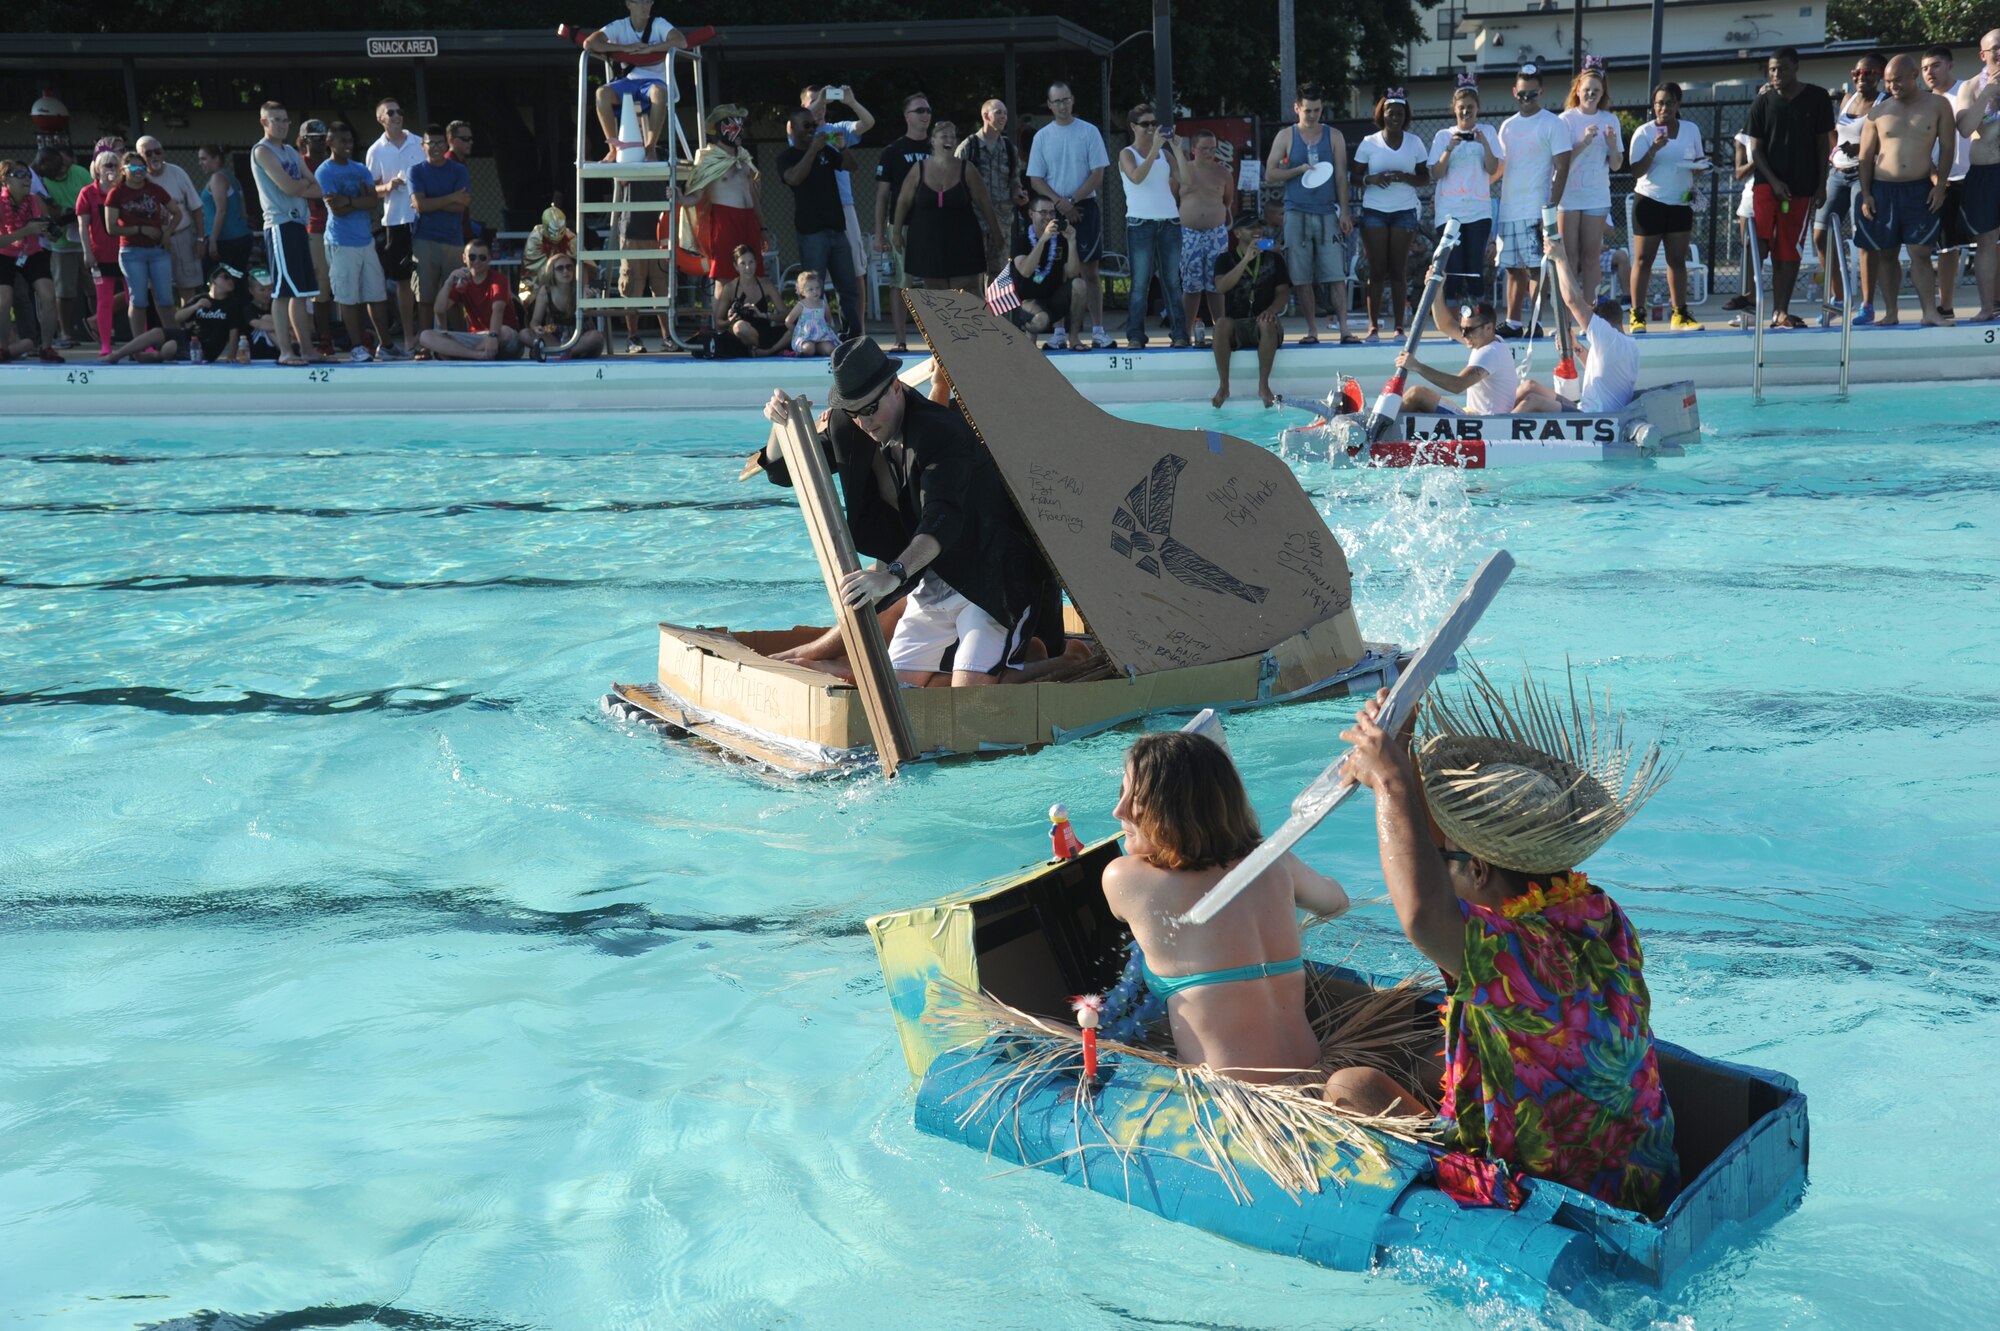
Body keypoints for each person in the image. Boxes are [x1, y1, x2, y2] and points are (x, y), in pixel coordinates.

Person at [1326, 668, 1679, 1216]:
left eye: (1450, 861)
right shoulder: (1597, 913)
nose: (1439, 864)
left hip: (1562, 1193)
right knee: (1431, 1057)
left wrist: (1393, 784)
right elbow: (1438, 858)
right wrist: (1401, 747)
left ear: (1482, 871)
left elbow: (1422, 915)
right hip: (1640, 1167)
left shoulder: (1511, 953)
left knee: (1352, 1088)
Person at [752, 338, 1059, 687]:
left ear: (896, 388)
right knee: (899, 689)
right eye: (854, 412)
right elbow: (785, 471)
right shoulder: (848, 426)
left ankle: (1066, 663)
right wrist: (781, 425)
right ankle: (1010, 661)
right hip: (933, 575)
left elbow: (942, 517)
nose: (864, 422)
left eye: (870, 409)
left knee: (970, 693)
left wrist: (894, 573)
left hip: (992, 574)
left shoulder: (941, 431)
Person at [1101, 730, 1351, 1084]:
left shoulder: (1124, 878)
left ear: (1173, 809)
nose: (1118, 810)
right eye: (1121, 792)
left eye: (1136, 797)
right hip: (1313, 1075)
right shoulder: (1275, 861)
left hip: (1237, 1099)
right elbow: (1337, 903)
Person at [1857, 54, 1959, 328]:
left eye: (1897, 80)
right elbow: (1865, 157)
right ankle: (1891, 312)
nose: (1892, 87)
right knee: (1887, 253)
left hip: (1919, 189)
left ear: (1914, 75)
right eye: (1888, 82)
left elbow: (1949, 147)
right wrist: (1866, 193)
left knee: (1920, 251)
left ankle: (1930, 312)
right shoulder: (1879, 112)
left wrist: (1940, 186)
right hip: (1883, 190)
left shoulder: (1937, 105)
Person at [1745, 47, 1837, 328]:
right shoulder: (1762, 102)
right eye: (1772, 69)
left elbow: (1823, 144)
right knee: (1758, 240)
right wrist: (1773, 181)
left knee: (1788, 250)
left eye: (1782, 68)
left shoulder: (1817, 97)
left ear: (1795, 67)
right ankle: (1749, 297)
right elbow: (1755, 149)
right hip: (1766, 184)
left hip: (1801, 186)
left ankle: (1780, 311)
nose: (1776, 74)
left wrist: (1821, 185)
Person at [1265, 83, 1354, 345]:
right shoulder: (1286, 136)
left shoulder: (1333, 135)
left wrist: (1345, 212)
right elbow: (1270, 173)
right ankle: (1312, 330)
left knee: (1335, 273)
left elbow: (1341, 176)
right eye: (1307, 111)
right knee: (1301, 275)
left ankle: (1344, 329)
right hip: (1296, 211)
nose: (1312, 115)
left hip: (1327, 212)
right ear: (1297, 108)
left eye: (1316, 110)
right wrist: (1298, 170)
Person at [1027, 82, 1114, 349]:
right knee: (1058, 272)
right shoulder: (1042, 136)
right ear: (1049, 104)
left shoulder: (1089, 132)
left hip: (1084, 208)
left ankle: (1098, 330)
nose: (1062, 106)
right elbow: (1035, 178)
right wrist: (1060, 203)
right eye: (1057, 102)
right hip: (1055, 209)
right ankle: (1059, 332)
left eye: (1066, 100)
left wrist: (1073, 200)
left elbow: (1097, 174)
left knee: (1089, 271)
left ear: (1073, 101)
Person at [1515, 229, 1639, 413]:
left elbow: (1573, 301)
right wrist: (1575, 346)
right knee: (1528, 386)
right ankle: (1495, 416)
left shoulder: (1606, 335)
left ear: (1602, 321)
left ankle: (1489, 433)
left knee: (1532, 401)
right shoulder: (1629, 345)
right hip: (1585, 408)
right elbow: (1599, 368)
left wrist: (1560, 258)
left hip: (1591, 417)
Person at [1496, 64, 1574, 337]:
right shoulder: (1506, 126)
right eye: (1521, 94)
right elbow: (1497, 168)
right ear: (1514, 92)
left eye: (1531, 94)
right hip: (1508, 209)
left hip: (1536, 208)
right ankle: (1514, 322)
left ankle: (1535, 322)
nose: (1526, 99)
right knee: (1512, 269)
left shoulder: (1553, 123)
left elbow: (1563, 168)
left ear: (1540, 92)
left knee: (1535, 269)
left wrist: (1550, 208)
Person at [1627, 82, 1709, 332]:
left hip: (1680, 203)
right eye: (1660, 103)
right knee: (1643, 260)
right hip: (1650, 202)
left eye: (1670, 102)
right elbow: (1635, 171)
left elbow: (1698, 161)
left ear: (1678, 105)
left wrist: (1701, 168)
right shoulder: (1643, 132)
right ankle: (1638, 315)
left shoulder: (1691, 129)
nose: (1664, 108)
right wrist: (1654, 148)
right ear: (1653, 106)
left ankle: (1680, 314)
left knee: (1677, 260)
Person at [584, 0, 711, 160]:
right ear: (629, 4)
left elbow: (681, 41)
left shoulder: (659, 24)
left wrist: (651, 49)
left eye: (649, 2)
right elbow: (589, 42)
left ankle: (650, 148)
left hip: (654, 83)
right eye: (641, 2)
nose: (646, 6)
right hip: (629, 82)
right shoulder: (619, 26)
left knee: (658, 92)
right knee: (602, 93)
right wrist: (625, 48)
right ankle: (614, 149)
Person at [314, 123, 398, 361]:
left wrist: (348, 200)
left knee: (376, 293)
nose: (348, 146)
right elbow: (336, 210)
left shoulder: (361, 169)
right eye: (342, 141)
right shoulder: (324, 171)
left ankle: (387, 345)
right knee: (348, 296)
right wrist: (359, 199)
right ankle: (356, 346)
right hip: (341, 242)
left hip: (365, 241)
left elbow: (373, 202)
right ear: (330, 143)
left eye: (350, 141)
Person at [779, 108, 864, 340]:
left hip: (837, 230)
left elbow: (851, 166)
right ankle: (814, 334)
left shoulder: (826, 150)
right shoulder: (787, 157)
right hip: (811, 234)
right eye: (805, 125)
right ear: (792, 128)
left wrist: (843, 147)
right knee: (812, 290)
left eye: (813, 125)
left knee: (848, 288)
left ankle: (852, 335)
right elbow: (794, 178)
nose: (811, 130)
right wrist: (812, 151)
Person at [249, 101, 324, 364]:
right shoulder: (262, 151)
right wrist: (300, 186)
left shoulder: (291, 151)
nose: (281, 124)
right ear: (264, 122)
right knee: (282, 292)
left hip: (298, 225)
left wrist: (298, 185)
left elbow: (317, 188)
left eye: (284, 120)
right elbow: (289, 188)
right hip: (280, 226)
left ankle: (306, 350)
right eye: (275, 120)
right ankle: (285, 352)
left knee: (300, 293)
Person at [895, 118, 1001, 296]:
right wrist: (897, 233)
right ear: (933, 141)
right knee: (937, 293)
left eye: (953, 137)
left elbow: (984, 203)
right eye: (944, 136)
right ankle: (942, 325)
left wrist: (997, 234)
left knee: (968, 289)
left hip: (963, 240)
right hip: (927, 241)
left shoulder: (967, 169)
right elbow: (903, 201)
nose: (950, 140)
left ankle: (976, 323)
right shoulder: (918, 169)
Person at [1353, 89, 1428, 340]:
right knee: (1376, 271)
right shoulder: (1368, 142)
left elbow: (1424, 178)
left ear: (1405, 116)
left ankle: (1399, 327)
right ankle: (1373, 326)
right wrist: (1371, 179)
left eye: (1399, 113)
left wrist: (1406, 178)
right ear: (1381, 114)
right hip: (1374, 212)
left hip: (1404, 212)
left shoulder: (1414, 142)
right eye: (1390, 112)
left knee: (1398, 270)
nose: (1394, 117)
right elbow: (1354, 176)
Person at [1819, 54, 1886, 321]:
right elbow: (1836, 133)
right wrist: (1833, 151)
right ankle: (1838, 296)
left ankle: (1867, 305)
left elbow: (1891, 141)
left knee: (1864, 238)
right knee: (1820, 233)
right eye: (1856, 73)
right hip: (1838, 172)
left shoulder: (1884, 103)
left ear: (1879, 75)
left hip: (1864, 174)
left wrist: (1864, 148)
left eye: (1868, 72)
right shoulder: (1848, 99)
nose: (1861, 77)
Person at [801, 83, 876, 316]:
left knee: (855, 271)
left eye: (824, 101)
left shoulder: (838, 130)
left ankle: (857, 330)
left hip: (844, 206)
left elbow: (868, 123)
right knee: (815, 275)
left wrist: (851, 102)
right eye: (814, 100)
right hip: (815, 210)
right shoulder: (800, 131)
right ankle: (817, 329)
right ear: (804, 106)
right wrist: (821, 100)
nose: (821, 105)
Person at [1427, 77, 1501, 315]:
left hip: (1478, 211)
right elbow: (1436, 173)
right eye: (1462, 108)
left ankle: (1478, 315)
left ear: (1477, 108)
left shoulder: (1487, 132)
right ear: (1454, 110)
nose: (1466, 112)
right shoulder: (1443, 136)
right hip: (1449, 211)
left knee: (1474, 266)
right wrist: (1449, 149)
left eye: (1470, 107)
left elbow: (1492, 168)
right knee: (1453, 265)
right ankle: (1450, 316)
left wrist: (1484, 144)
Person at [1394, 280, 1519, 416]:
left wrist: (1416, 366)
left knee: (1417, 394)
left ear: (1489, 328)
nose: (1464, 335)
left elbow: (1457, 385)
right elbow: (1445, 324)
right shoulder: (1486, 339)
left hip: (1482, 423)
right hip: (1474, 416)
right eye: (1462, 329)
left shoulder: (1490, 352)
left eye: (1469, 330)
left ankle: (1380, 431)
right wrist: (1437, 289)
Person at [1558, 59, 1626, 304]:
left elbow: (1617, 164)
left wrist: (1611, 146)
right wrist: (1585, 143)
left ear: (1602, 94)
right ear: (1577, 90)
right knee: (1569, 256)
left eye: (1596, 91)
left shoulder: (1610, 120)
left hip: (1596, 195)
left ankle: (1590, 311)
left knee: (1591, 255)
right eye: (1587, 89)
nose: (1590, 94)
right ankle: (1567, 310)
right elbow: (1561, 161)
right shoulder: (1566, 120)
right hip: (1568, 195)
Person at [688, 103, 764, 320]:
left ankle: (751, 321)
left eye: (740, 122)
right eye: (732, 121)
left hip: (748, 219)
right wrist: (680, 197)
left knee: (753, 273)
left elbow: (754, 197)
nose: (738, 127)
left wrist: (763, 226)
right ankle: (719, 326)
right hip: (724, 219)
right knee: (723, 277)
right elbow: (696, 193)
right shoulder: (708, 158)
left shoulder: (744, 157)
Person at [1120, 102, 1187, 349]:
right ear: (1133, 127)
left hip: (1169, 221)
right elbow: (1136, 177)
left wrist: (1177, 150)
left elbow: (1186, 180)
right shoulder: (1127, 153)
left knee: (1172, 280)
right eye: (1145, 124)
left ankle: (1180, 333)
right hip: (1140, 223)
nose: (1151, 128)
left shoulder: (1165, 154)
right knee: (1140, 282)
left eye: (1154, 124)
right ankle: (1136, 336)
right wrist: (1154, 149)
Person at [874, 93, 937, 351]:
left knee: (935, 284)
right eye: (920, 110)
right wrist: (880, 235)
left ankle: (938, 340)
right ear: (907, 116)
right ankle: (900, 340)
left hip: (933, 227)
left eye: (928, 111)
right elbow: (882, 196)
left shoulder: (937, 149)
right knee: (901, 283)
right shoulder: (892, 152)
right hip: (902, 227)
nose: (925, 115)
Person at [101, 261, 252, 365]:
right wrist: (195, 307)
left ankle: (154, 356)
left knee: (169, 348)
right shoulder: (200, 299)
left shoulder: (232, 305)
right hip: (190, 337)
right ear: (213, 280)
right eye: (225, 277)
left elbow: (234, 332)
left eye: (231, 279)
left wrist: (231, 355)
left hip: (205, 349)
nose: (230, 281)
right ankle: (117, 355)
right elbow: (178, 318)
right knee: (156, 332)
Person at [1211, 212, 1290, 408]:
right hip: (1237, 323)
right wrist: (1245, 260)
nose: (1257, 230)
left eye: (1259, 226)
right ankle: (1224, 386)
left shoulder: (1274, 258)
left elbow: (1283, 292)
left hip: (1264, 323)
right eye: (1251, 227)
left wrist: (1272, 310)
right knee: (1221, 323)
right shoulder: (1225, 259)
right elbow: (1221, 287)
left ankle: (1263, 386)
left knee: (1266, 322)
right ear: (1237, 233)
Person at [366, 97, 426, 355]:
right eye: (390, 112)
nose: (396, 115)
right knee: (403, 282)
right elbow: (370, 191)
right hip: (395, 221)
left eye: (399, 111)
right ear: (380, 119)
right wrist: (387, 187)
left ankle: (428, 336)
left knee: (427, 280)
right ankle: (410, 337)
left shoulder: (418, 143)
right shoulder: (375, 150)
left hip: (423, 218)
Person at [1921, 47, 1973, 319]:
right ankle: (1947, 307)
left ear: (1951, 66)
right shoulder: (1923, 102)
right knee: (1947, 247)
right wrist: (1936, 180)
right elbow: (1920, 147)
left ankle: (1995, 303)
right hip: (1943, 183)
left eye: (1936, 65)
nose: (1930, 72)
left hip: (1977, 177)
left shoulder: (1968, 90)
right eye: (1925, 68)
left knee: (1991, 243)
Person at [105, 151, 178, 341]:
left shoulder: (155, 190)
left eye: (142, 167)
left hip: (157, 251)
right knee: (138, 300)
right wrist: (140, 229)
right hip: (132, 252)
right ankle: (139, 344)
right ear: (124, 170)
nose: (139, 171)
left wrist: (168, 233)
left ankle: (175, 341)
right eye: (134, 167)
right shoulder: (117, 193)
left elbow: (176, 213)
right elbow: (111, 228)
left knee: (166, 298)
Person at [1172, 129, 1237, 345]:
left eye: (1213, 148)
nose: (1210, 153)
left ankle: (1221, 331)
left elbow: (1227, 200)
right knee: (1191, 287)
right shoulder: (1182, 172)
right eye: (1205, 148)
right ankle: (1185, 333)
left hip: (1215, 234)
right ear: (1193, 150)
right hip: (1189, 234)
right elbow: (1173, 199)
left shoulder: (1223, 173)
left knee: (1216, 285)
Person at [408, 125, 470, 339]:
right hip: (425, 239)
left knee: (454, 294)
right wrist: (451, 197)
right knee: (425, 296)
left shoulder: (458, 170)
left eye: (439, 143)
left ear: (446, 144)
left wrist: (432, 202)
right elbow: (420, 205)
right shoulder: (416, 171)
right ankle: (425, 342)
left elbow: (461, 207)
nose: (435, 147)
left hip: (454, 240)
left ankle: (461, 341)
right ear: (422, 145)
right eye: (430, 143)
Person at [1955, 31, 2000, 323]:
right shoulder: (1970, 87)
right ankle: (1987, 307)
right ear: (1982, 55)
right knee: (1986, 240)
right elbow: (1963, 128)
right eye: (1994, 49)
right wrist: (1987, 93)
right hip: (1986, 171)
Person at [0, 161, 64, 361]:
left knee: (48, 295)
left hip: (31, 252)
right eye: (19, 174)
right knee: (4, 300)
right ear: (5, 179)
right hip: (5, 253)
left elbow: (53, 233)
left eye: (28, 175)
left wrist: (51, 231)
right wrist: (25, 231)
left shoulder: (36, 201)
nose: (27, 179)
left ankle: (46, 347)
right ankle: (2, 347)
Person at [418, 239, 521, 360]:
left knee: (505, 332)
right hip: (476, 338)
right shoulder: (462, 281)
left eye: (482, 257)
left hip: (501, 337)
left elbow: (498, 310)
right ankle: (477, 355)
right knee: (425, 336)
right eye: (472, 257)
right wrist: (449, 281)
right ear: (464, 258)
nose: (477, 261)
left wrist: (492, 336)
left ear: (489, 259)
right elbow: (440, 310)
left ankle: (458, 354)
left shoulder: (499, 279)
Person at [133, 135, 207, 305]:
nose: (154, 157)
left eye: (158, 152)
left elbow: (196, 207)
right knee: (159, 290)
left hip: (182, 235)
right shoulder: (138, 179)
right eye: (148, 153)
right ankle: (169, 328)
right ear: (140, 157)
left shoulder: (177, 172)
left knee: (188, 286)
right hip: (153, 240)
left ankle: (189, 327)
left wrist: (201, 239)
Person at [957, 98, 1025, 278]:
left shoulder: (1010, 149)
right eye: (998, 112)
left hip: (1001, 222)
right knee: (973, 273)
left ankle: (999, 308)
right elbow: (955, 183)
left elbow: (1015, 180)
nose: (1003, 117)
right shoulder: (968, 147)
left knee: (1000, 274)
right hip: (973, 220)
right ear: (986, 115)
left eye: (1005, 113)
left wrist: (1018, 193)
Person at [35, 145, 93, 347]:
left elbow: (93, 198)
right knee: (64, 291)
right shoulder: (42, 180)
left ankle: (100, 328)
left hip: (87, 240)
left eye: (66, 167)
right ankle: (66, 333)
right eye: (59, 167)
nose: (62, 171)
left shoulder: (80, 172)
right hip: (61, 243)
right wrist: (64, 215)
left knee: (94, 288)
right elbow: (51, 211)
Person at [1010, 195, 1085, 345]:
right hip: (1027, 303)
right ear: (1031, 214)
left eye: (1051, 212)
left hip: (1053, 301)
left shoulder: (1061, 240)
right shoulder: (1021, 241)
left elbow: (1072, 274)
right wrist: (1043, 239)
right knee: (1040, 320)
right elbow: (1025, 270)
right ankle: (1029, 342)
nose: (1048, 217)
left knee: (1079, 284)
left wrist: (1071, 242)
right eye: (1043, 212)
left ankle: (1074, 338)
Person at [74, 151, 123, 357]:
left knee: (135, 299)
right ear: (97, 168)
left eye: (114, 165)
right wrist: (87, 252)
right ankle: (105, 344)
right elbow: (83, 226)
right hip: (101, 254)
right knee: (104, 301)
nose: (110, 169)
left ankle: (143, 342)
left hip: (125, 252)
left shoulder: (123, 191)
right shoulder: (87, 193)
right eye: (106, 165)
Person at [293, 120, 335, 353]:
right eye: (315, 137)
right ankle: (324, 336)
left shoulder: (331, 162)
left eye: (322, 137)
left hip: (339, 228)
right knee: (321, 283)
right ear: (304, 140)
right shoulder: (300, 163)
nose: (320, 141)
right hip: (314, 228)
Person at [713, 241, 788, 355]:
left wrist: (765, 315)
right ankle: (767, 350)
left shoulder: (766, 285)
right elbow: (718, 322)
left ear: (756, 263)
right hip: (741, 335)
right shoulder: (730, 288)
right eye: (743, 263)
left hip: (764, 332)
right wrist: (730, 320)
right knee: (740, 327)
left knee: (796, 327)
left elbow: (785, 315)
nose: (748, 267)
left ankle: (764, 351)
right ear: (735, 266)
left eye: (751, 262)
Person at [527, 257, 607, 360]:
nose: (566, 271)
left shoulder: (582, 285)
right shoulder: (546, 290)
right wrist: (536, 328)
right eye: (560, 268)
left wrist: (587, 300)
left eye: (569, 267)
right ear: (552, 272)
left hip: (580, 331)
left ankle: (557, 352)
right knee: (524, 334)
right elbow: (534, 322)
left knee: (597, 337)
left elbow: (604, 284)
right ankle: (564, 352)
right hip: (554, 329)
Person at [195, 144, 253, 275]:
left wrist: (213, 241)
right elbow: (244, 212)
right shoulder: (232, 178)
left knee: (212, 279)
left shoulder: (217, 178)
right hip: (241, 237)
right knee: (237, 280)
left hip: (226, 240)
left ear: (216, 159)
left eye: (203, 159)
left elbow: (221, 210)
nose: (200, 163)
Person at [785, 269, 840, 355]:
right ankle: (807, 350)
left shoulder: (823, 304)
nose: (815, 291)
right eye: (810, 289)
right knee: (808, 349)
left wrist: (824, 329)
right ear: (802, 291)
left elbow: (829, 319)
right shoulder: (801, 305)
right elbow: (788, 321)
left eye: (817, 288)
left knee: (830, 350)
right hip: (806, 337)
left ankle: (818, 348)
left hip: (822, 337)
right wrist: (796, 332)